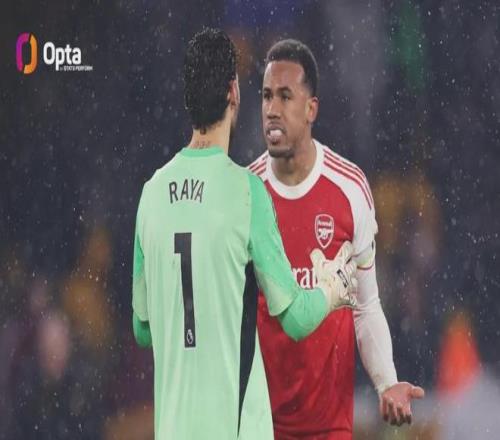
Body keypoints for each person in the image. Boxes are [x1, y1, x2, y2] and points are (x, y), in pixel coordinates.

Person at [131, 28, 358, 440]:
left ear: (187, 100)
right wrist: (332, 288)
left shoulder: (151, 196)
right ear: (234, 92)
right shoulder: (246, 193)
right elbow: (295, 319)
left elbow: (142, 329)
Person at [248, 39, 425, 439]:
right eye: (266, 96)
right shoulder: (247, 192)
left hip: (330, 428)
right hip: (260, 427)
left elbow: (366, 305)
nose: (272, 109)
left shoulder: (349, 188)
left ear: (311, 109)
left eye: (285, 96)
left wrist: (386, 381)